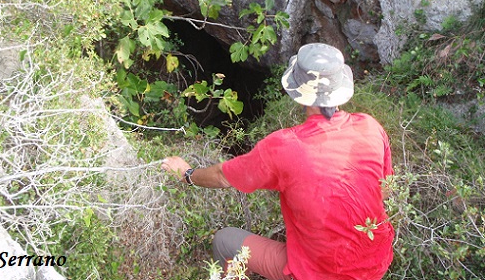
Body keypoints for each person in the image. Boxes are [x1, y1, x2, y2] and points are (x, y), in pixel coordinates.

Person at [162, 43, 394, 280]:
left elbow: (223, 177)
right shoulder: (370, 126)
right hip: (375, 263)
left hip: (318, 273)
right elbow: (383, 190)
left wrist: (187, 174)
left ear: (299, 93)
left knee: (224, 241)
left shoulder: (284, 146)